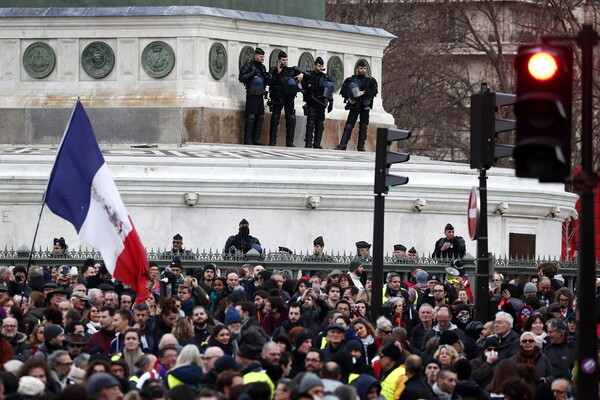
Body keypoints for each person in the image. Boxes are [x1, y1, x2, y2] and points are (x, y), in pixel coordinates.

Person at [335, 60, 378, 151]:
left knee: (363, 126)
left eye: (364, 68)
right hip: (354, 105)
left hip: (365, 106)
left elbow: (374, 92)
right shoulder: (351, 79)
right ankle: (343, 145)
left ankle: (361, 146)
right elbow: (343, 91)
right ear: (357, 68)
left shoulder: (370, 81)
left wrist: (364, 92)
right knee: (349, 125)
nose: (363, 70)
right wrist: (348, 99)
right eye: (361, 68)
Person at [267, 50, 305, 147]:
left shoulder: (290, 70)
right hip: (278, 96)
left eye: (286, 60)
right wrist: (278, 72)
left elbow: (306, 74)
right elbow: (269, 81)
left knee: (291, 118)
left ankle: (290, 142)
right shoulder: (273, 70)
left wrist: (302, 74)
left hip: (289, 97)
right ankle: (272, 142)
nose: (285, 62)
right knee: (275, 117)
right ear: (279, 60)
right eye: (283, 60)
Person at [239, 47, 270, 145]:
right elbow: (241, 78)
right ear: (255, 56)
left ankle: (256, 139)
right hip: (251, 95)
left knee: (260, 117)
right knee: (251, 117)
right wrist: (252, 73)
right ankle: (248, 139)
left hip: (260, 95)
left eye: (263, 57)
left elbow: (266, 80)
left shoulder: (262, 67)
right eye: (261, 57)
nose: (262, 58)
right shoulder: (248, 65)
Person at [302, 57, 333, 148]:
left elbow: (330, 90)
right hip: (312, 101)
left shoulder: (325, 77)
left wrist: (331, 103)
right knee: (310, 123)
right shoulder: (309, 74)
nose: (320, 68)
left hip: (321, 103)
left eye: (322, 66)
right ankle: (308, 143)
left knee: (320, 124)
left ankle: (317, 144)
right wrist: (309, 86)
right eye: (319, 66)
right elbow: (303, 85)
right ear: (315, 65)